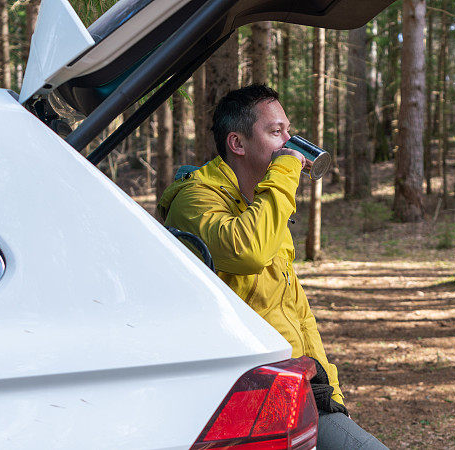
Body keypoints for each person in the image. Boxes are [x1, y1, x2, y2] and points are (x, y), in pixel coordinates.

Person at [157, 84, 387, 449]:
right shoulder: (195, 199)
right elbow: (247, 251)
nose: (288, 142)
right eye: (275, 132)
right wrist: (285, 171)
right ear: (237, 143)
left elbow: (295, 311)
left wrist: (331, 396)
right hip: (241, 400)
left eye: (288, 132)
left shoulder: (266, 204)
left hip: (295, 388)